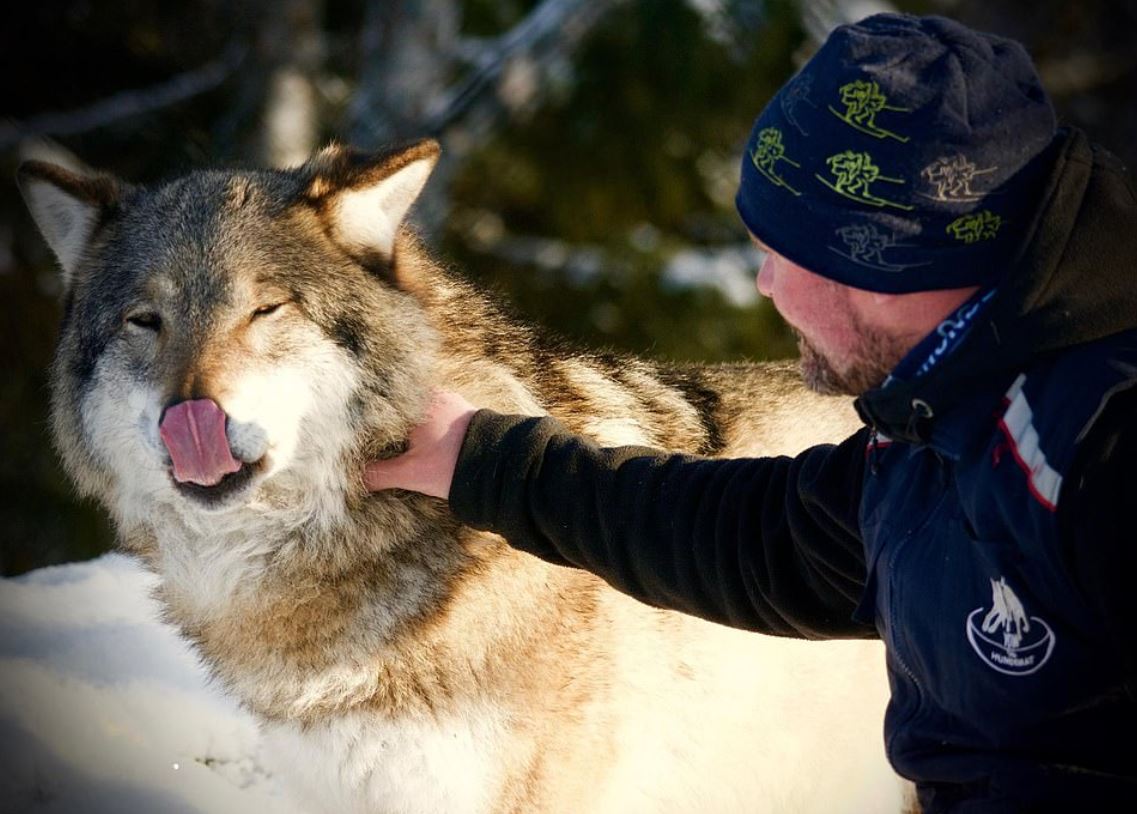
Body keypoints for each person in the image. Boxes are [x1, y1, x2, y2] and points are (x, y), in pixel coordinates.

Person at [365, 13, 1137, 813]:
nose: (763, 285)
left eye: (779, 252)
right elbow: (764, 540)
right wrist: (482, 461)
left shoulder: (1102, 445)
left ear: (883, 262)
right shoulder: (942, 412)